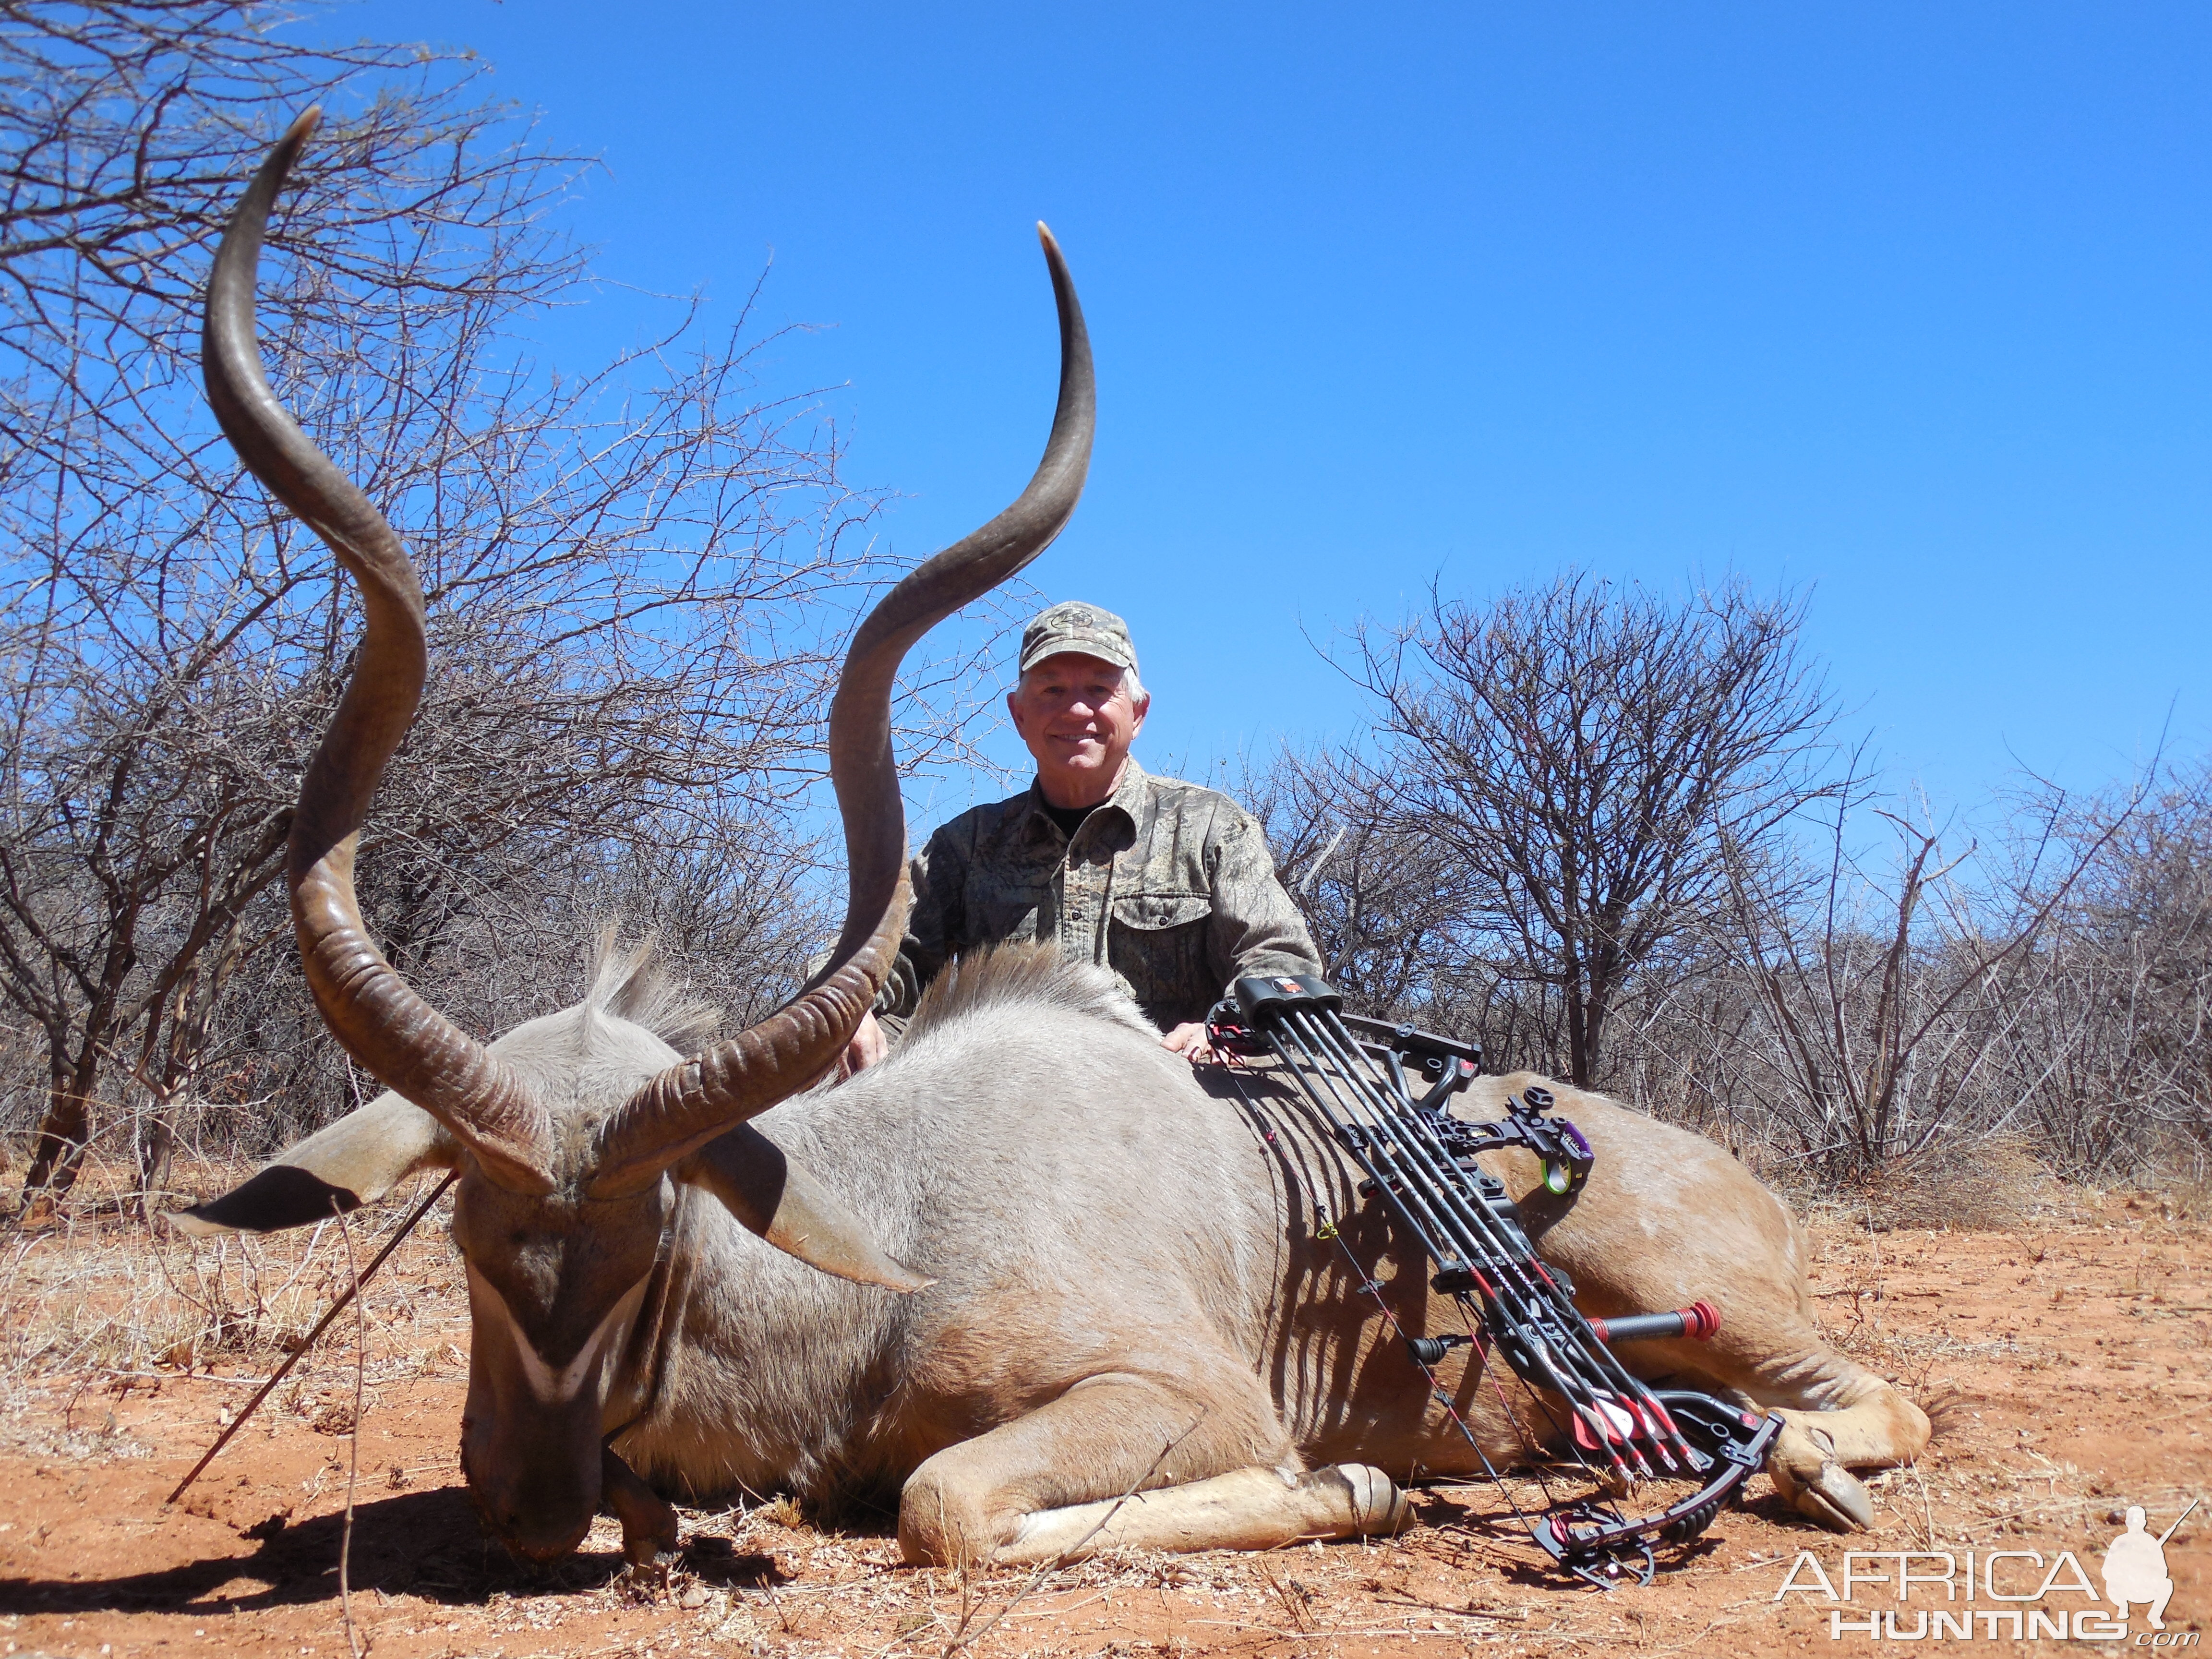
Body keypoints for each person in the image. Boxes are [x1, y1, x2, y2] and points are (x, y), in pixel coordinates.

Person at [843, 601, 1321, 1073]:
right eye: (1052, 690)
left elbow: (1279, 957)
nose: (1076, 710)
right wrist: (848, 1006)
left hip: (1174, 1114)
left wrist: (1226, 1026)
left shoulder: (1211, 826)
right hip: (1003, 1115)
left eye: (1098, 689)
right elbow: (888, 951)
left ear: (1138, 713)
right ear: (1019, 715)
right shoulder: (964, 845)